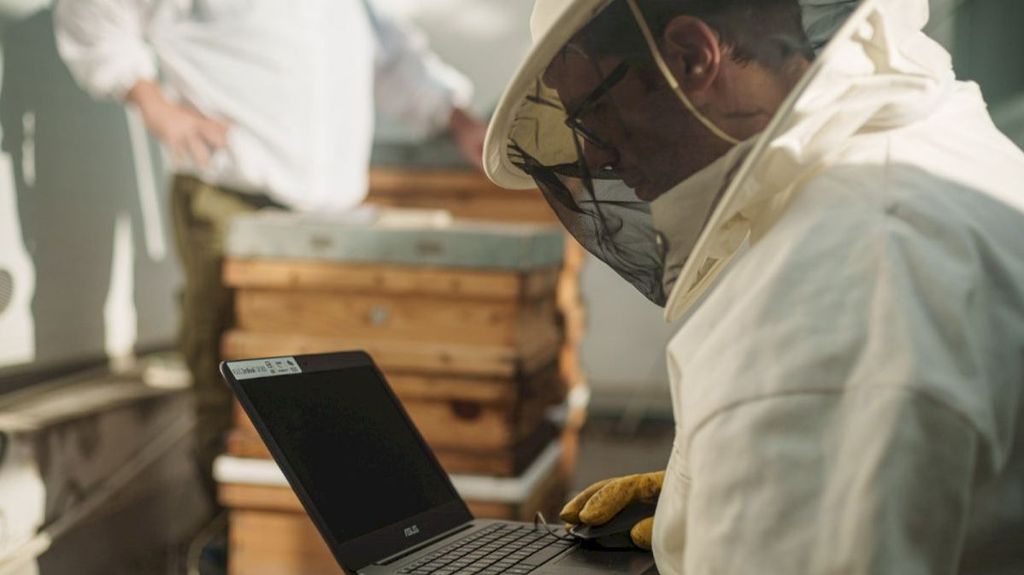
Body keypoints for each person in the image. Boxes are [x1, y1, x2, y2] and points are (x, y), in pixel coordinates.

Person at [483, 0, 1024, 572]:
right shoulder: (930, 138)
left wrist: (765, 441)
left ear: (692, 58)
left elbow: (829, 385)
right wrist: (718, 487)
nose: (593, 153)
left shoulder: (830, 298)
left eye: (595, 111)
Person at [53, 0, 488, 500]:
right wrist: (155, 104)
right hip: (230, 192)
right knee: (232, 373)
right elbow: (94, 10)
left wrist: (460, 121)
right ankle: (224, 530)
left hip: (330, 213)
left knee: (329, 381)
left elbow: (395, 60)